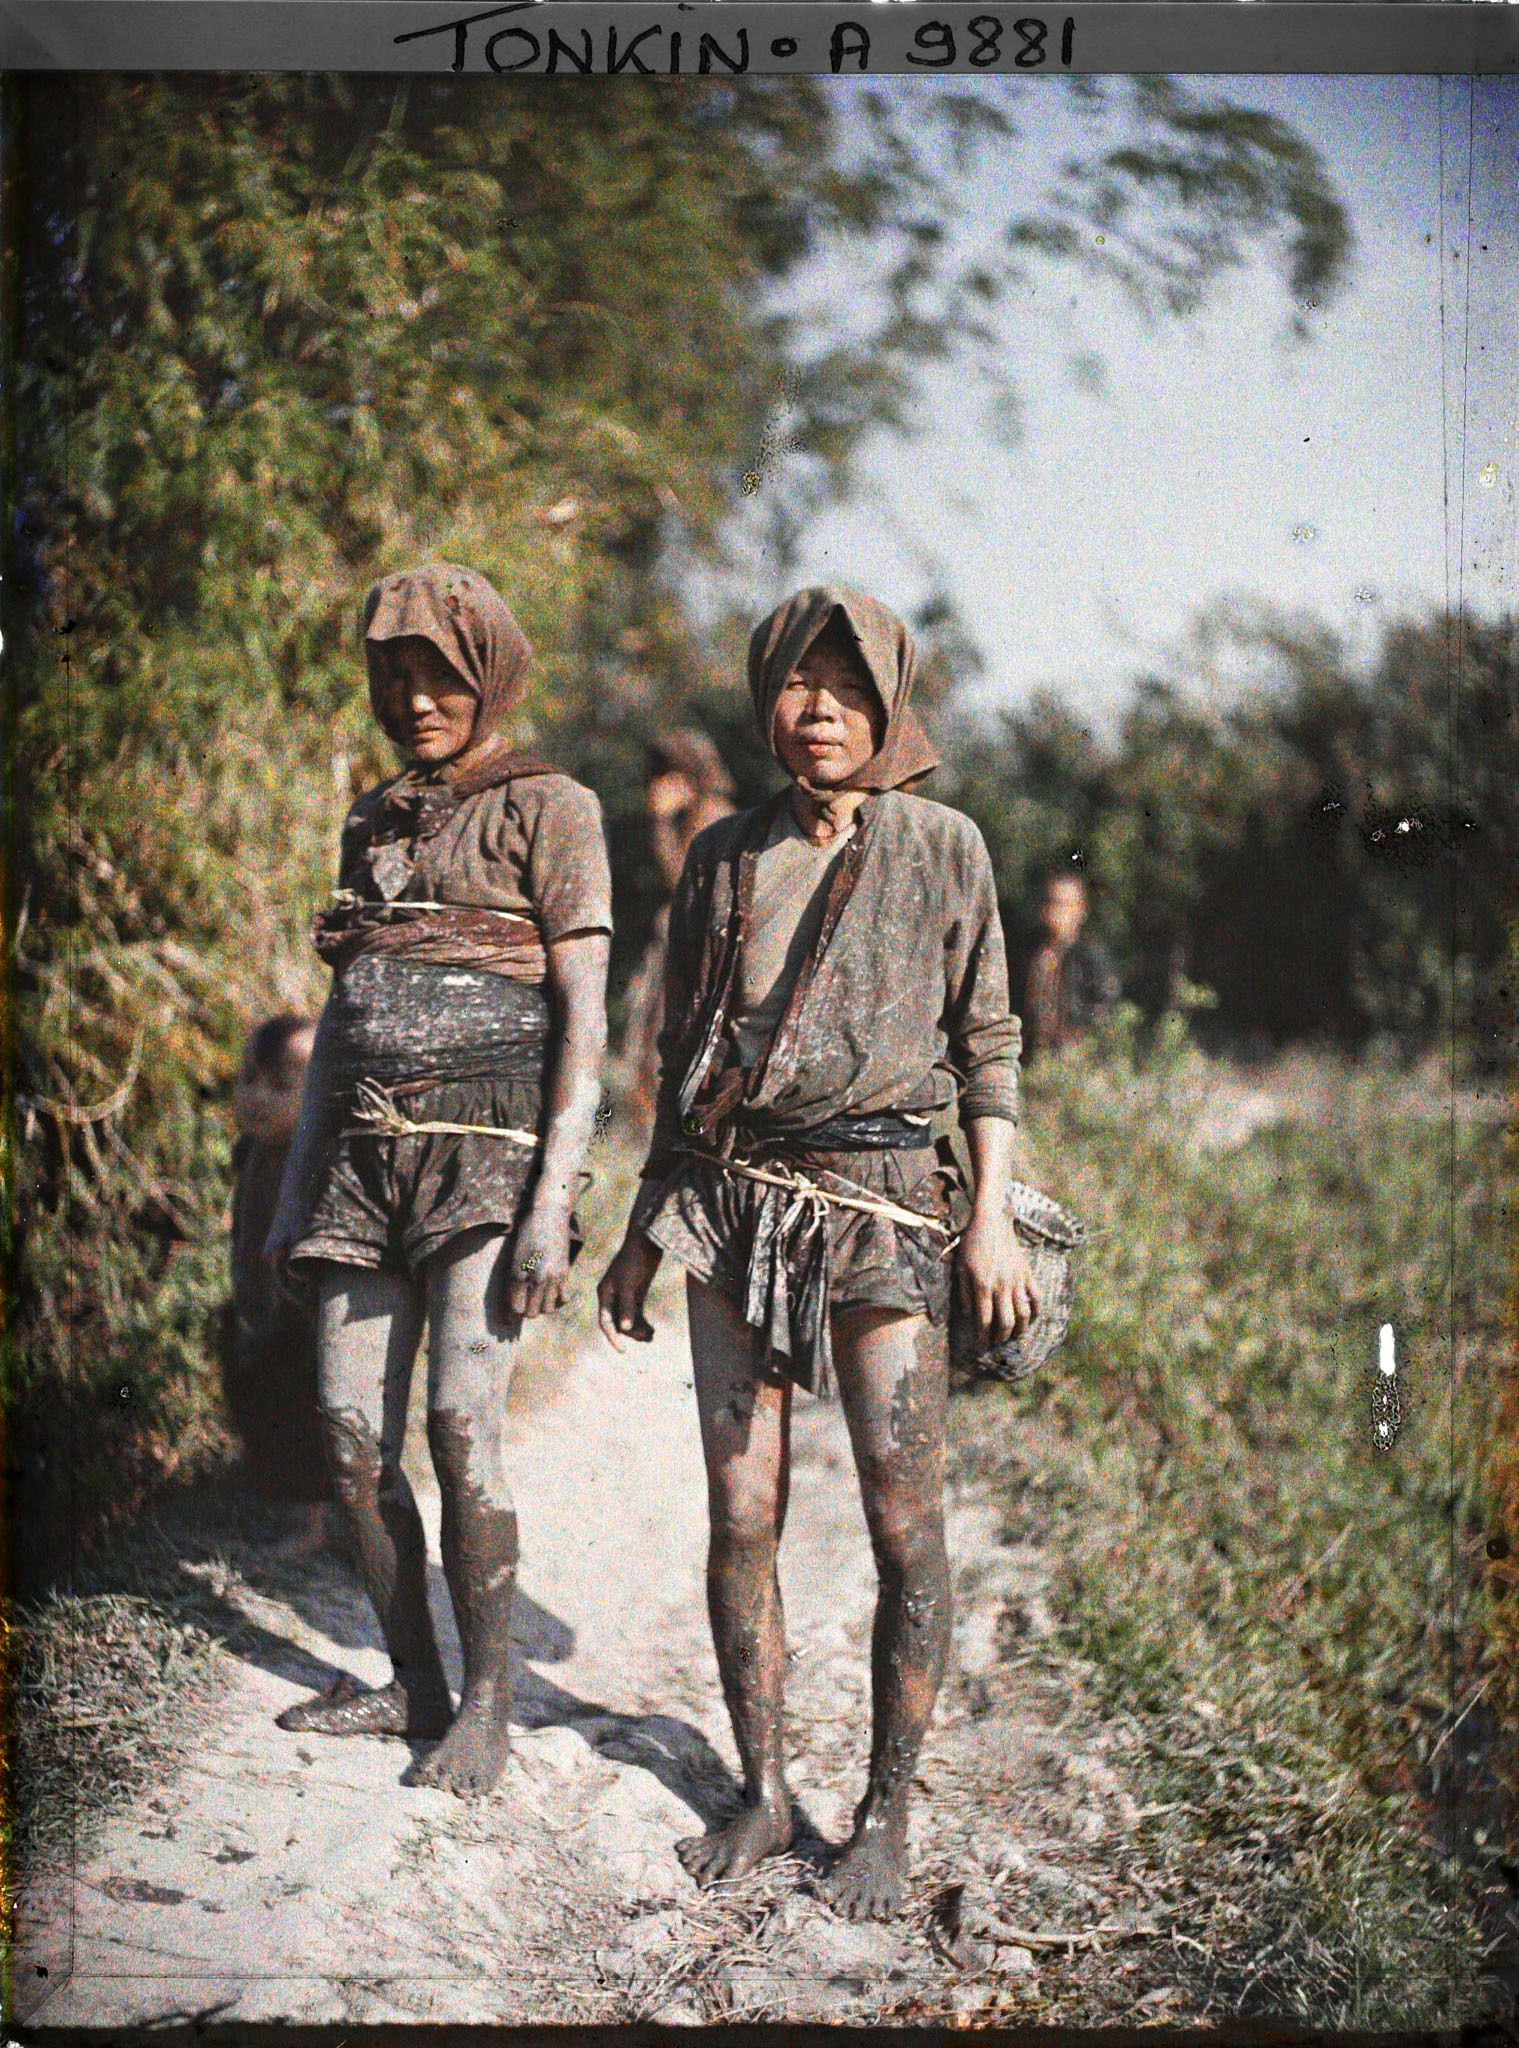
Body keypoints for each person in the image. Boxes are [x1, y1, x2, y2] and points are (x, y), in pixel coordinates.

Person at [597, 587, 1039, 1920]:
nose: (820, 710)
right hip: (733, 1207)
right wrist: (640, 1232)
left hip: (887, 1208)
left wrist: (988, 1215)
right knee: (741, 1514)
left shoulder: (943, 846)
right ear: (765, 699)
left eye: (849, 688)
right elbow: (685, 1061)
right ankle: (764, 1793)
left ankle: (886, 1817)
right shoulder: (722, 857)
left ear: (888, 704)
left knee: (904, 1524)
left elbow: (988, 1044)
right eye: (798, 683)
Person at [264, 562, 612, 1798]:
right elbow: (341, 1019)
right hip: (361, 1163)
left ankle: (488, 1704)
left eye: (439, 675)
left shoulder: (552, 805)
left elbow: (583, 1012)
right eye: (395, 675)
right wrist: (294, 1194)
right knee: (348, 1432)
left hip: (487, 1156)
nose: (415, 699)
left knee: (463, 1429)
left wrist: (552, 1202)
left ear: (490, 675)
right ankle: (410, 1676)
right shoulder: (373, 818)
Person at [224, 1011, 331, 1561]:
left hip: (299, 1316)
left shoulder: (311, 1162)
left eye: (279, 1086)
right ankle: (274, 1488)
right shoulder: (253, 1150)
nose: (257, 1097)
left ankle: (313, 1523)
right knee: (257, 1395)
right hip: (258, 1306)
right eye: (249, 1080)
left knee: (301, 1410)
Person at [620, 730, 736, 1122]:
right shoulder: (701, 813)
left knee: (661, 1049)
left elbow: (679, 882)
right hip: (678, 947)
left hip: (691, 953)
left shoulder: (711, 814)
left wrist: (661, 820)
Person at [1020, 867, 1119, 1062]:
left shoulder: (1090, 958)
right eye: (1051, 902)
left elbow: (1106, 1008)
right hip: (1032, 1059)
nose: (1056, 912)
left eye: (1065, 905)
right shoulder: (1028, 954)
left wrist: (1080, 1043)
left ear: (1081, 911)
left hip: (1076, 1060)